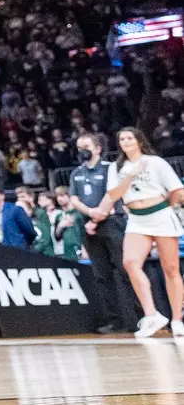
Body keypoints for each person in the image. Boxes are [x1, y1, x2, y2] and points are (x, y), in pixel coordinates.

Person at [96, 127, 184, 338]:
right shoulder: (116, 167)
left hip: (161, 215)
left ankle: (177, 319)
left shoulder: (155, 162)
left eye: (129, 138)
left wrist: (166, 208)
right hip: (136, 219)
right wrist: (129, 177)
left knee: (171, 269)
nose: (125, 141)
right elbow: (114, 194)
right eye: (122, 139)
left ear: (139, 141)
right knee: (130, 263)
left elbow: (177, 190)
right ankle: (152, 315)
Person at [68, 132, 138, 334]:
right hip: (88, 226)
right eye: (79, 147)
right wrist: (90, 213)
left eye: (86, 146)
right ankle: (115, 321)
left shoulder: (111, 168)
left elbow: (113, 194)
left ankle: (139, 317)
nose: (82, 151)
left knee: (125, 271)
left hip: (112, 223)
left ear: (98, 148)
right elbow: (74, 199)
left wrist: (99, 215)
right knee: (101, 275)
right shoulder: (76, 173)